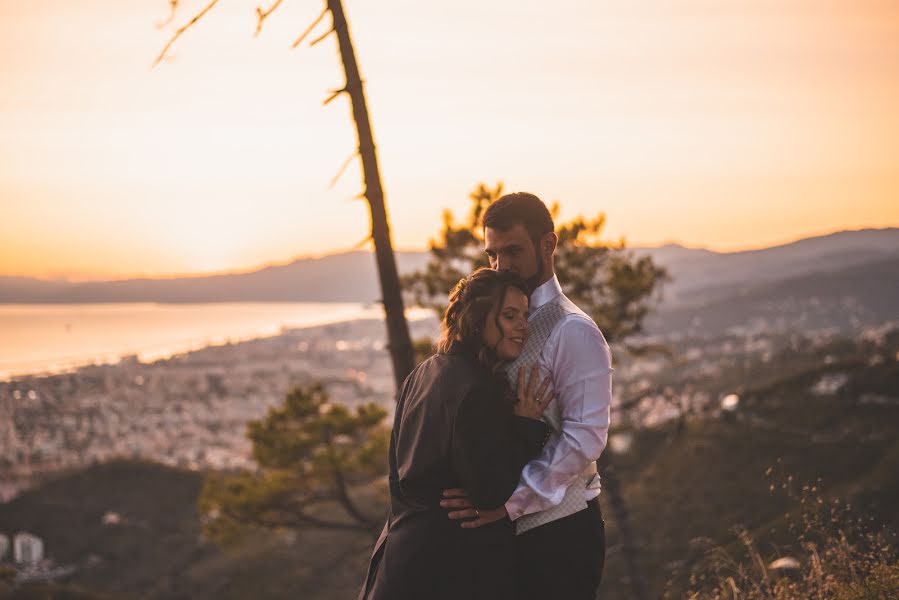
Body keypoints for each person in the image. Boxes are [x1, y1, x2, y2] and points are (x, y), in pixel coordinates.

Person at [440, 192, 612, 600]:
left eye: (513, 251)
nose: (501, 266)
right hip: (501, 534)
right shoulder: (490, 321)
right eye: (493, 254)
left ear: (548, 245)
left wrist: (510, 504)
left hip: (559, 535)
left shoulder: (574, 331)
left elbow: (585, 438)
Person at [358, 267, 554, 600]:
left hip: (397, 558)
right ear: (478, 319)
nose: (524, 326)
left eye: (525, 315)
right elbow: (490, 492)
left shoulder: (422, 373)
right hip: (445, 570)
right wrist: (527, 427)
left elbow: (398, 472)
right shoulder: (477, 390)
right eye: (509, 316)